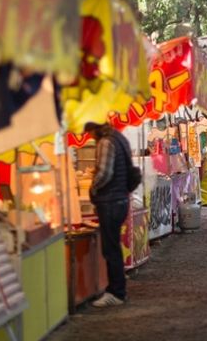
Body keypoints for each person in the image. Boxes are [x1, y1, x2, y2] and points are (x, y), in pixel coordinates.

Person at [84, 122, 133, 308]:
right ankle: (118, 288)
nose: (88, 136)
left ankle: (116, 292)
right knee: (114, 247)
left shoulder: (106, 142)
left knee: (111, 248)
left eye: (88, 132)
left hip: (110, 201)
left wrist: (93, 188)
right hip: (120, 199)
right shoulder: (119, 138)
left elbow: (104, 173)